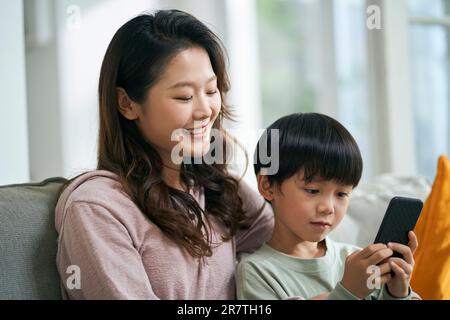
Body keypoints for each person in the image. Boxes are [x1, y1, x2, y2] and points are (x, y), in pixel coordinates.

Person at [55, 10, 273, 299]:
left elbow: (287, 242)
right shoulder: (98, 208)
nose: (206, 110)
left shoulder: (213, 187)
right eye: (184, 97)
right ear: (127, 103)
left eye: (211, 90)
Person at [236, 113, 420, 300]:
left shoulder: (355, 259)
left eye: (341, 194)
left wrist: (397, 293)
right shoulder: (256, 272)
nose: (328, 208)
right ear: (267, 186)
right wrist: (349, 292)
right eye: (313, 190)